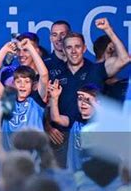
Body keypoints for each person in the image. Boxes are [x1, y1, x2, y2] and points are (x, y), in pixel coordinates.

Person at [47, 19, 130, 167]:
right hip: (63, 137)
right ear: (64, 50)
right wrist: (49, 126)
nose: (73, 51)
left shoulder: (96, 70)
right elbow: (45, 106)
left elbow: (124, 59)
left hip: (94, 135)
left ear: (84, 48)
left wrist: (108, 29)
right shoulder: (56, 75)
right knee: (63, 184)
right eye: (69, 47)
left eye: (77, 46)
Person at [0, 38, 48, 150]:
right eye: (19, 81)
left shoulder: (37, 100)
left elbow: (44, 75)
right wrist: (4, 50)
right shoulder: (8, 99)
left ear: (33, 84)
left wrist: (30, 48)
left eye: (26, 81)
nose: (22, 85)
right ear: (14, 83)